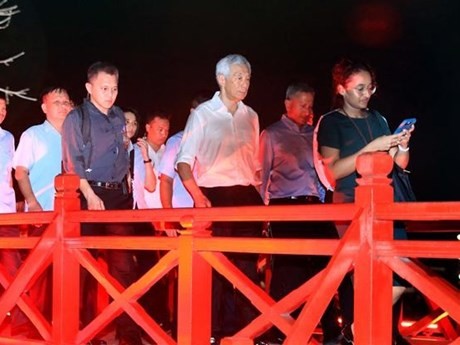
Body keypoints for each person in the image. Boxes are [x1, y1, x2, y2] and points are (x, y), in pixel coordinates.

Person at [316, 57, 414, 345]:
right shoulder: (331, 122)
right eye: (359, 88)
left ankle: (354, 332)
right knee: (364, 278)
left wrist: (402, 144)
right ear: (342, 89)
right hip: (350, 204)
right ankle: (367, 336)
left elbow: (398, 164)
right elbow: (332, 172)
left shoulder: (378, 119)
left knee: (402, 272)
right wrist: (371, 149)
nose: (366, 94)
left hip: (385, 204)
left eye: (370, 88)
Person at [176, 54, 264, 342]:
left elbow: (255, 165)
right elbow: (183, 161)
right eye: (238, 77)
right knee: (215, 268)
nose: (244, 83)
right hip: (214, 195)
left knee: (249, 269)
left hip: (247, 195)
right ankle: (211, 332)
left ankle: (245, 332)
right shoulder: (202, 113)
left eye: (248, 78)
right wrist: (198, 196)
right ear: (221, 79)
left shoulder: (251, 116)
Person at [61, 61, 142, 345]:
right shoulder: (77, 117)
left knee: (125, 268)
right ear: (89, 88)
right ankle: (81, 333)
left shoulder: (119, 115)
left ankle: (129, 334)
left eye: (114, 88)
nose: (110, 94)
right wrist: (90, 194)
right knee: (83, 268)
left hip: (119, 197)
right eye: (104, 88)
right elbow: (73, 161)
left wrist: (128, 185)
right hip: (90, 195)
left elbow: (122, 154)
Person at [259, 82, 341, 344]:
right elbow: (261, 179)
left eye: (310, 105)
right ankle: (278, 330)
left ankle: (332, 329)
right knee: (288, 272)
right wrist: (262, 217)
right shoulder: (271, 134)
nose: (307, 110)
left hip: (315, 205)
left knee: (328, 268)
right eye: (303, 104)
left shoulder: (315, 134)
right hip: (286, 206)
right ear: (288, 104)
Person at [11, 87, 72, 339]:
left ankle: (59, 328)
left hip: (68, 217)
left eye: (67, 102)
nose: (63, 106)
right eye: (56, 101)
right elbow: (20, 172)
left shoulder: (74, 136)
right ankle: (27, 328)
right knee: (36, 276)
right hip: (42, 214)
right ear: (44, 107)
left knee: (64, 274)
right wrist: (32, 202)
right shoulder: (33, 135)